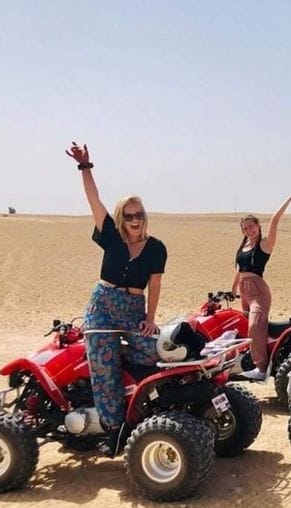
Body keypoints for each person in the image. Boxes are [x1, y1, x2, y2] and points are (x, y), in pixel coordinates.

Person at [66, 142, 167, 456]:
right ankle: (113, 428)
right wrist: (85, 166)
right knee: (103, 363)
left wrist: (150, 319)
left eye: (139, 214)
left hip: (133, 310)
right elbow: (93, 199)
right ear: (122, 217)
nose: (136, 220)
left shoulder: (156, 248)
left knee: (154, 353)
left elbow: (155, 285)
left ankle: (146, 408)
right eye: (130, 215)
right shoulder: (110, 234)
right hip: (103, 308)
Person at [231, 197, 291, 381]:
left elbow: (275, 221)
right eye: (245, 228)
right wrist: (233, 290)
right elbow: (240, 270)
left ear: (258, 225)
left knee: (255, 326)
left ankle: (261, 368)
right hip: (244, 291)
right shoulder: (244, 246)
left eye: (251, 227)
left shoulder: (264, 244)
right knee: (244, 326)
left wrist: (287, 201)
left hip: (258, 291)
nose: (249, 231)